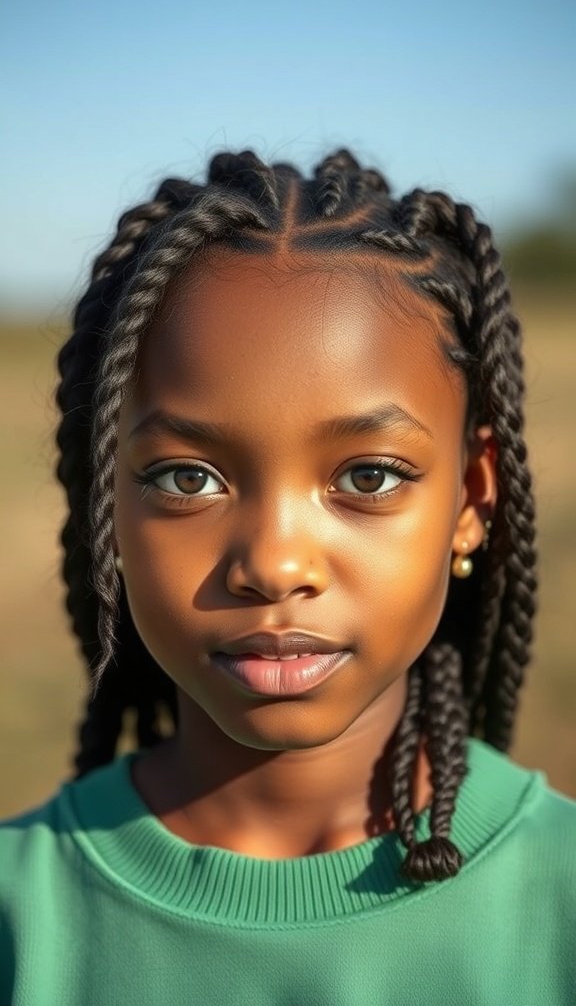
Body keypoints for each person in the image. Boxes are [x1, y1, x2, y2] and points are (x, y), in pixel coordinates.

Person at [1, 149, 574, 1005]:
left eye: (369, 477)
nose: (274, 564)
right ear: (105, 508)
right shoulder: (22, 917)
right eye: (187, 479)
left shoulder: (558, 899)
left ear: (471, 498)